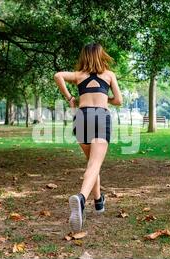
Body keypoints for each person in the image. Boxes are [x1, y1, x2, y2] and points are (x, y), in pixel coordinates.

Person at [54, 43, 123, 232]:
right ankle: (82, 199)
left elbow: (58, 75)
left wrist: (70, 99)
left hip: (82, 117)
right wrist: (104, 97)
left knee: (93, 164)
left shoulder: (78, 75)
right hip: (100, 116)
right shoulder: (109, 75)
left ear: (84, 56)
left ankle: (99, 201)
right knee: (94, 165)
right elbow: (119, 100)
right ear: (101, 56)